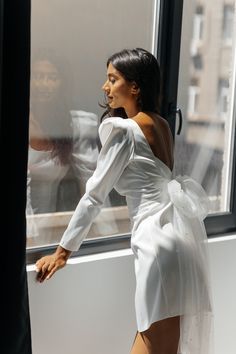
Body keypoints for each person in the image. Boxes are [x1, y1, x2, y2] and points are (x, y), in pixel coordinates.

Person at [35, 48, 213, 354]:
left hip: (157, 246)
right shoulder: (161, 125)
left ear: (135, 87)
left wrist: (62, 253)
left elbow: (94, 195)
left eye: (112, 79)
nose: (105, 87)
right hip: (179, 243)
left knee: (155, 343)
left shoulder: (124, 131)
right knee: (156, 342)